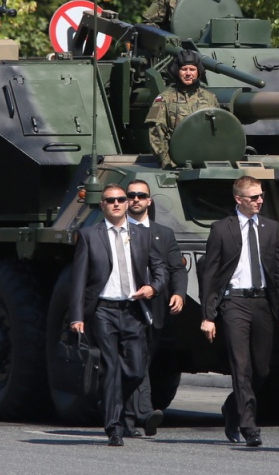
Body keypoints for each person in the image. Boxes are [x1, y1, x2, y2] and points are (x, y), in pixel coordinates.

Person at [69, 184, 166, 446]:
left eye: (121, 200)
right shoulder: (90, 235)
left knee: (135, 369)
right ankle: (114, 426)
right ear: (102, 205)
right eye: (110, 200)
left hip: (133, 310)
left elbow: (160, 268)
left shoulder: (141, 235)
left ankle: (111, 398)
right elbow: (78, 280)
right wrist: (77, 316)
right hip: (103, 310)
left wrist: (153, 287)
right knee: (111, 367)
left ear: (126, 204)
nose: (116, 204)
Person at [199, 176, 279, 447]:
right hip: (233, 303)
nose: (260, 200)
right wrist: (208, 315)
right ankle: (249, 426)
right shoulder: (221, 229)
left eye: (261, 196)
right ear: (239, 199)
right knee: (241, 366)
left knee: (261, 369)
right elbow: (211, 274)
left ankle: (232, 406)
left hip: (262, 302)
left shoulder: (272, 228)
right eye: (254, 197)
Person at [122, 179, 186, 438]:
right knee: (135, 361)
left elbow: (176, 269)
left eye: (141, 195)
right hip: (124, 307)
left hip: (155, 309)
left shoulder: (163, 234)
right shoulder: (116, 232)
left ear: (150, 201)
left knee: (142, 361)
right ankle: (145, 412)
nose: (135, 199)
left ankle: (126, 418)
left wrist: (179, 294)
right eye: (131, 195)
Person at [145, 49, 220, 168]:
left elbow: (217, 131)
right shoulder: (165, 99)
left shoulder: (210, 98)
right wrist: (167, 163)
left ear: (198, 72)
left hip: (206, 162)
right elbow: (156, 132)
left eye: (192, 69)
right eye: (184, 69)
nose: (188, 73)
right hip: (176, 162)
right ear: (176, 71)